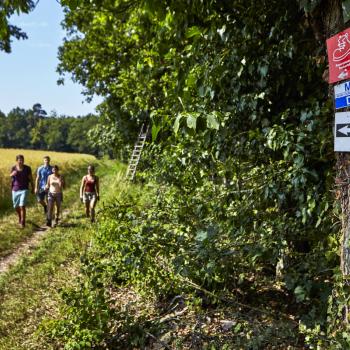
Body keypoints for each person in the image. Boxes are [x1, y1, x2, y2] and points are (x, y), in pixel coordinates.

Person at [10, 154, 34, 228]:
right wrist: (12, 174)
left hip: (24, 189)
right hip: (15, 189)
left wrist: (33, 187)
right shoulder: (13, 168)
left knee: (22, 206)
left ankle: (23, 223)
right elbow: (10, 176)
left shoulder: (27, 168)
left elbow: (31, 179)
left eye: (22, 160)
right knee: (15, 206)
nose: (21, 161)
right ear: (17, 161)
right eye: (19, 160)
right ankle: (20, 216)